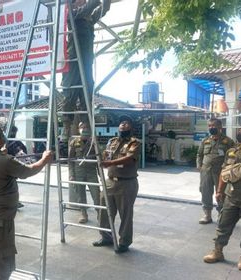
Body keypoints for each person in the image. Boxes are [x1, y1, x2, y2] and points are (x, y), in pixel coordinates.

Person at [0, 121, 52, 279]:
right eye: (1, 135)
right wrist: (44, 159)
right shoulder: (5, 161)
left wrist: (0, 152)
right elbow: (28, 171)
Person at [61, 0, 110, 140]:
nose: (84, 1)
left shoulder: (89, 20)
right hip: (73, 60)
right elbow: (90, 6)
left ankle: (86, 123)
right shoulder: (72, 14)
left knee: (87, 91)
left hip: (87, 61)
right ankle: (66, 125)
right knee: (70, 92)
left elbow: (103, 9)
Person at [203, 125, 241, 271]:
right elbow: (225, 171)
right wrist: (219, 191)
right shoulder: (232, 152)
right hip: (231, 197)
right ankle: (217, 251)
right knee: (223, 225)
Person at [92, 115, 141, 253]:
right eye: (121, 123)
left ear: (131, 127)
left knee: (125, 214)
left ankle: (124, 242)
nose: (123, 125)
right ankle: (106, 237)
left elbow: (130, 158)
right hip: (110, 181)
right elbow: (105, 156)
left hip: (126, 183)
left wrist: (110, 163)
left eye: (126, 123)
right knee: (103, 211)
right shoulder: (112, 141)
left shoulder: (135, 143)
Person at [196, 118, 234, 224]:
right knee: (205, 192)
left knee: (221, 193)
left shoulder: (228, 141)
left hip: (220, 172)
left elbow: (233, 156)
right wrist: (199, 166)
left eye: (213, 126)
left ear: (220, 127)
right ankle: (207, 215)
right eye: (209, 126)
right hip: (206, 171)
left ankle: (221, 215)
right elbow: (199, 154)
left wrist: (227, 168)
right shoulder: (205, 140)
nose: (211, 128)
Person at [68, 122, 100, 223]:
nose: (84, 129)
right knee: (80, 194)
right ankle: (83, 214)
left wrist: (100, 173)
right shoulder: (74, 142)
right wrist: (71, 174)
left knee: (96, 194)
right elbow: (70, 160)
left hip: (91, 172)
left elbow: (99, 157)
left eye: (86, 127)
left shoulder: (93, 142)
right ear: (79, 129)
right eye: (82, 127)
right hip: (78, 172)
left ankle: (100, 214)